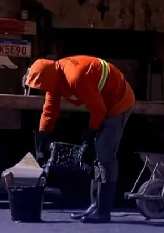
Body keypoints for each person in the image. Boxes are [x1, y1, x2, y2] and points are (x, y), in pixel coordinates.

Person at [25, 55, 135, 224]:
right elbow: (49, 111)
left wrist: (89, 139)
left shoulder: (75, 77)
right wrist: (42, 140)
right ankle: (94, 206)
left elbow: (99, 109)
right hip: (103, 101)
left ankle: (103, 211)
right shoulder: (54, 77)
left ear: (49, 78)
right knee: (95, 157)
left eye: (41, 86)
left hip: (118, 101)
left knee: (104, 153)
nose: (41, 89)